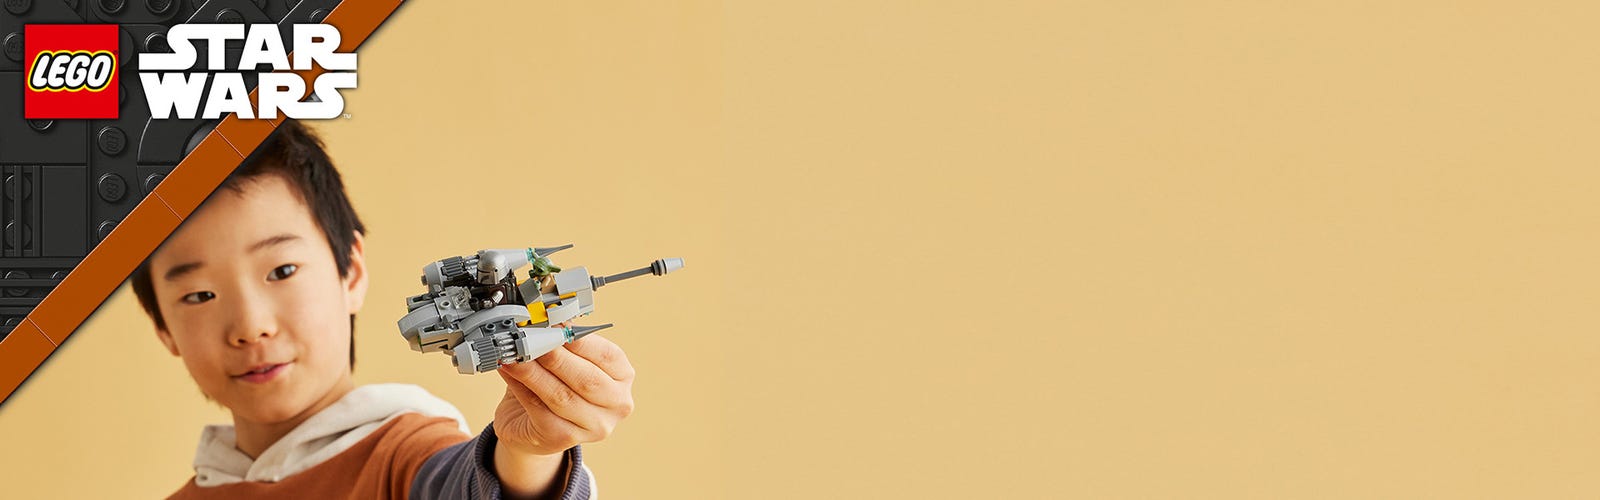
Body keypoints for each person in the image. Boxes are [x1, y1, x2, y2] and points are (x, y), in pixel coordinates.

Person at [129, 120, 635, 499]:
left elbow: (464, 484)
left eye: (281, 271)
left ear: (350, 271)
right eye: (199, 295)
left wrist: (528, 455)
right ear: (162, 328)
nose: (251, 326)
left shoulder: (403, 455)